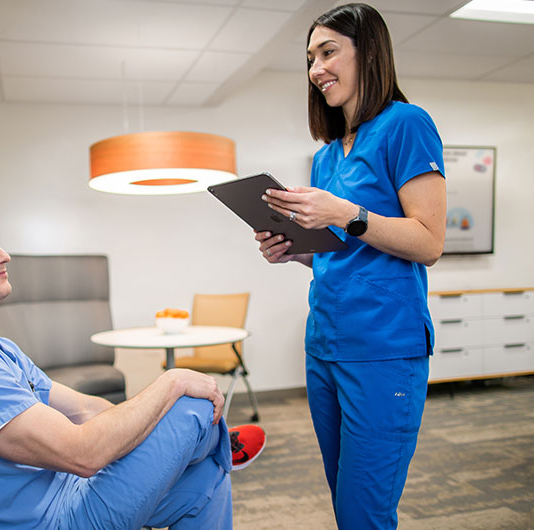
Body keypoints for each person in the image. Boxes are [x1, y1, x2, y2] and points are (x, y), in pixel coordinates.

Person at [0, 207, 266, 530]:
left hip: (69, 492)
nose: (4, 255)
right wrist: (171, 382)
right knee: (194, 407)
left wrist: (160, 436)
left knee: (208, 476)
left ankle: (208, 447)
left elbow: (85, 408)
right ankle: (214, 441)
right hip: (53, 519)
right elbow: (83, 453)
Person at [255, 4, 446, 529]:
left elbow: (429, 240)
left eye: (329, 51)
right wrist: (295, 250)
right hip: (325, 346)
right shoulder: (326, 156)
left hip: (383, 348)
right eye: (310, 57)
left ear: (370, 52)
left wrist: (347, 212)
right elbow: (341, 256)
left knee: (366, 511)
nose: (316, 68)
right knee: (345, 501)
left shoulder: (407, 125)